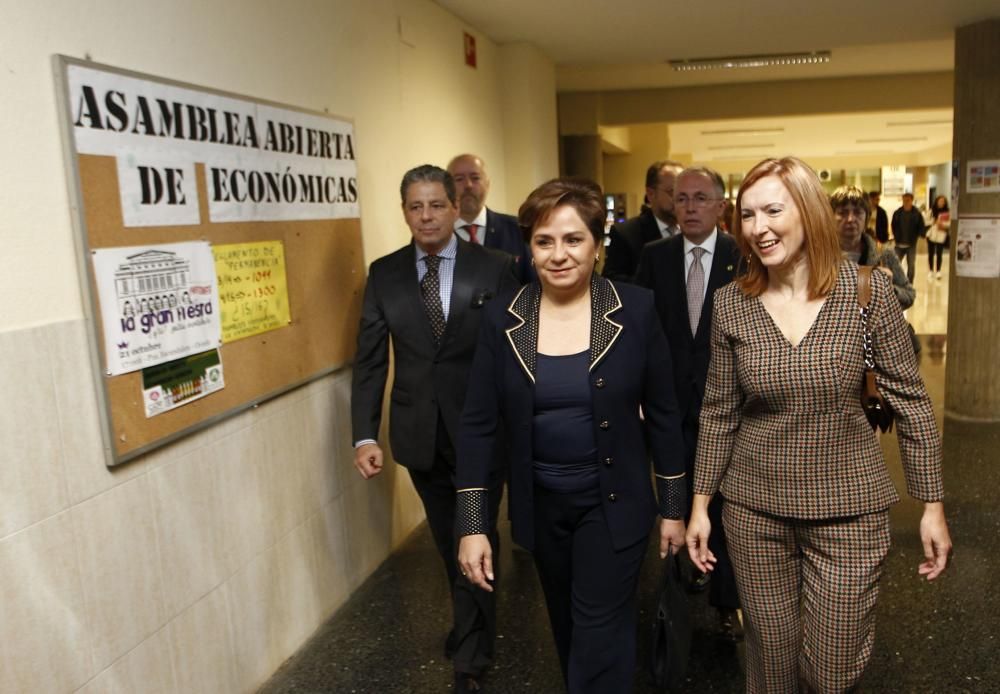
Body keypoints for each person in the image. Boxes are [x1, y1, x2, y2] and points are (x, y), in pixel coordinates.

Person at [687, 157, 952, 693]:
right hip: (754, 509)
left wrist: (932, 505)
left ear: (808, 211)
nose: (758, 227)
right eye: (748, 214)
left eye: (773, 211)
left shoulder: (867, 293)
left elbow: (913, 402)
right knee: (771, 656)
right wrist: (699, 505)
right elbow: (718, 411)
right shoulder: (732, 305)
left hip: (848, 512)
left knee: (830, 668)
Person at [456, 177, 687, 693]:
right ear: (529, 248)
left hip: (615, 505)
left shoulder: (635, 310)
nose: (559, 255)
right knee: (568, 631)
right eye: (544, 241)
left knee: (601, 635)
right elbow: (477, 425)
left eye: (573, 240)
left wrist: (672, 507)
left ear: (598, 246)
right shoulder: (504, 318)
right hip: (541, 509)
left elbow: (666, 414)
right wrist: (473, 525)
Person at [350, 164, 518, 693]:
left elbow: (519, 351)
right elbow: (371, 361)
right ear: (404, 212)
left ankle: (470, 651)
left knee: (477, 530)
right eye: (415, 207)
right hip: (420, 431)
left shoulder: (494, 267)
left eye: (436, 205)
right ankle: (475, 623)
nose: (426, 216)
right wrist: (364, 434)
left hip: (482, 432)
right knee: (452, 542)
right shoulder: (385, 274)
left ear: (455, 207)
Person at [634, 166, 742, 638]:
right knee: (674, 498)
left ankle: (725, 601)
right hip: (669, 404)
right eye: (682, 199)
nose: (690, 207)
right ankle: (678, 584)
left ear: (721, 206)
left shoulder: (743, 257)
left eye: (701, 198)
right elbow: (638, 328)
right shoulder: (654, 257)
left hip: (728, 404)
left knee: (724, 503)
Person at [447, 153, 533, 283]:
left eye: (475, 178)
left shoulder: (517, 229)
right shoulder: (436, 235)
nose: (468, 185)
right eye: (459, 179)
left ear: (487, 184)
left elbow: (534, 284)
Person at [831, 185, 915, 310]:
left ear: (867, 217)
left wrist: (888, 289)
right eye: (842, 213)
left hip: (873, 328)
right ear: (830, 216)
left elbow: (909, 295)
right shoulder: (818, 256)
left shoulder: (884, 254)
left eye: (858, 212)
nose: (850, 219)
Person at [602, 160, 684, 281]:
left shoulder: (694, 230)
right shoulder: (626, 234)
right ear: (651, 193)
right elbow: (612, 281)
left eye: (684, 193)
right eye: (672, 192)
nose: (680, 199)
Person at [891, 192, 924, 282]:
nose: (906, 202)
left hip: (911, 244)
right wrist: (895, 236)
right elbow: (893, 225)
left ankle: (910, 283)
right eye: (904, 200)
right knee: (895, 264)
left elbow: (921, 225)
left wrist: (921, 234)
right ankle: (896, 282)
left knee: (911, 266)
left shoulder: (917, 213)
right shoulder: (897, 213)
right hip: (899, 243)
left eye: (908, 200)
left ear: (911, 201)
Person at [927, 194, 950, 280]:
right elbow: (926, 221)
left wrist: (943, 225)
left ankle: (938, 271)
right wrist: (933, 222)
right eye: (940, 201)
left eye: (943, 202)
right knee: (931, 253)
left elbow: (949, 224)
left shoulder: (947, 212)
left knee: (939, 253)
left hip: (941, 234)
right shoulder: (931, 211)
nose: (941, 203)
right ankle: (930, 271)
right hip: (931, 234)